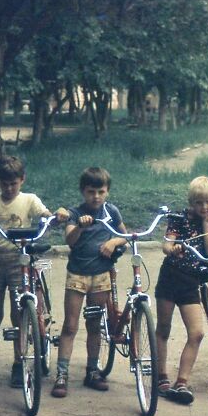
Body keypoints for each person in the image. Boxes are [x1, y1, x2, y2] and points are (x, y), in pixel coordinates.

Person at [0, 156, 67, 387]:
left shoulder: (29, 200)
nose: (9, 188)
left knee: (18, 314)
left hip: (19, 259)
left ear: (22, 180)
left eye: (13, 183)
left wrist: (55, 217)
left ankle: (17, 363)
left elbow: (46, 214)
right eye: (4, 184)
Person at [51, 167, 127, 398]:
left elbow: (126, 235)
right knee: (71, 325)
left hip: (101, 276)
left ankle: (92, 370)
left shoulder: (111, 211)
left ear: (107, 192)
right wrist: (81, 227)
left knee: (94, 325)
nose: (96, 196)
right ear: (83, 191)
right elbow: (70, 240)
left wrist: (114, 242)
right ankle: (62, 374)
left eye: (101, 191)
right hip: (77, 275)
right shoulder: (75, 213)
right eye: (91, 191)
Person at [155, 176, 208, 405]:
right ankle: (161, 377)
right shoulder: (179, 218)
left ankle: (181, 381)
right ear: (191, 202)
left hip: (191, 282)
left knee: (197, 333)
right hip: (170, 278)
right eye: (199, 203)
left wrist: (205, 224)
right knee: (163, 328)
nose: (204, 207)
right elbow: (166, 243)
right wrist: (172, 248)